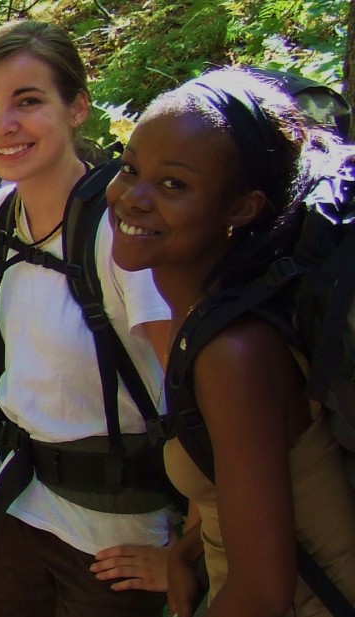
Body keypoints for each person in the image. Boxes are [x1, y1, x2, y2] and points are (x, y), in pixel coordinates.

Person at [109, 69, 355, 616]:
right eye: (129, 169)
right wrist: (189, 549)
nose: (133, 197)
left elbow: (261, 594)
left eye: (173, 184)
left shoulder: (234, 353)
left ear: (242, 208)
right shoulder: (219, 315)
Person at [0, 20, 175, 617]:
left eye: (27, 101)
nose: (2, 125)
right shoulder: (0, 215)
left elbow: (201, 394)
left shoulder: (121, 233)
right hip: (21, 504)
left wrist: (188, 554)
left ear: (77, 107)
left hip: (116, 535)